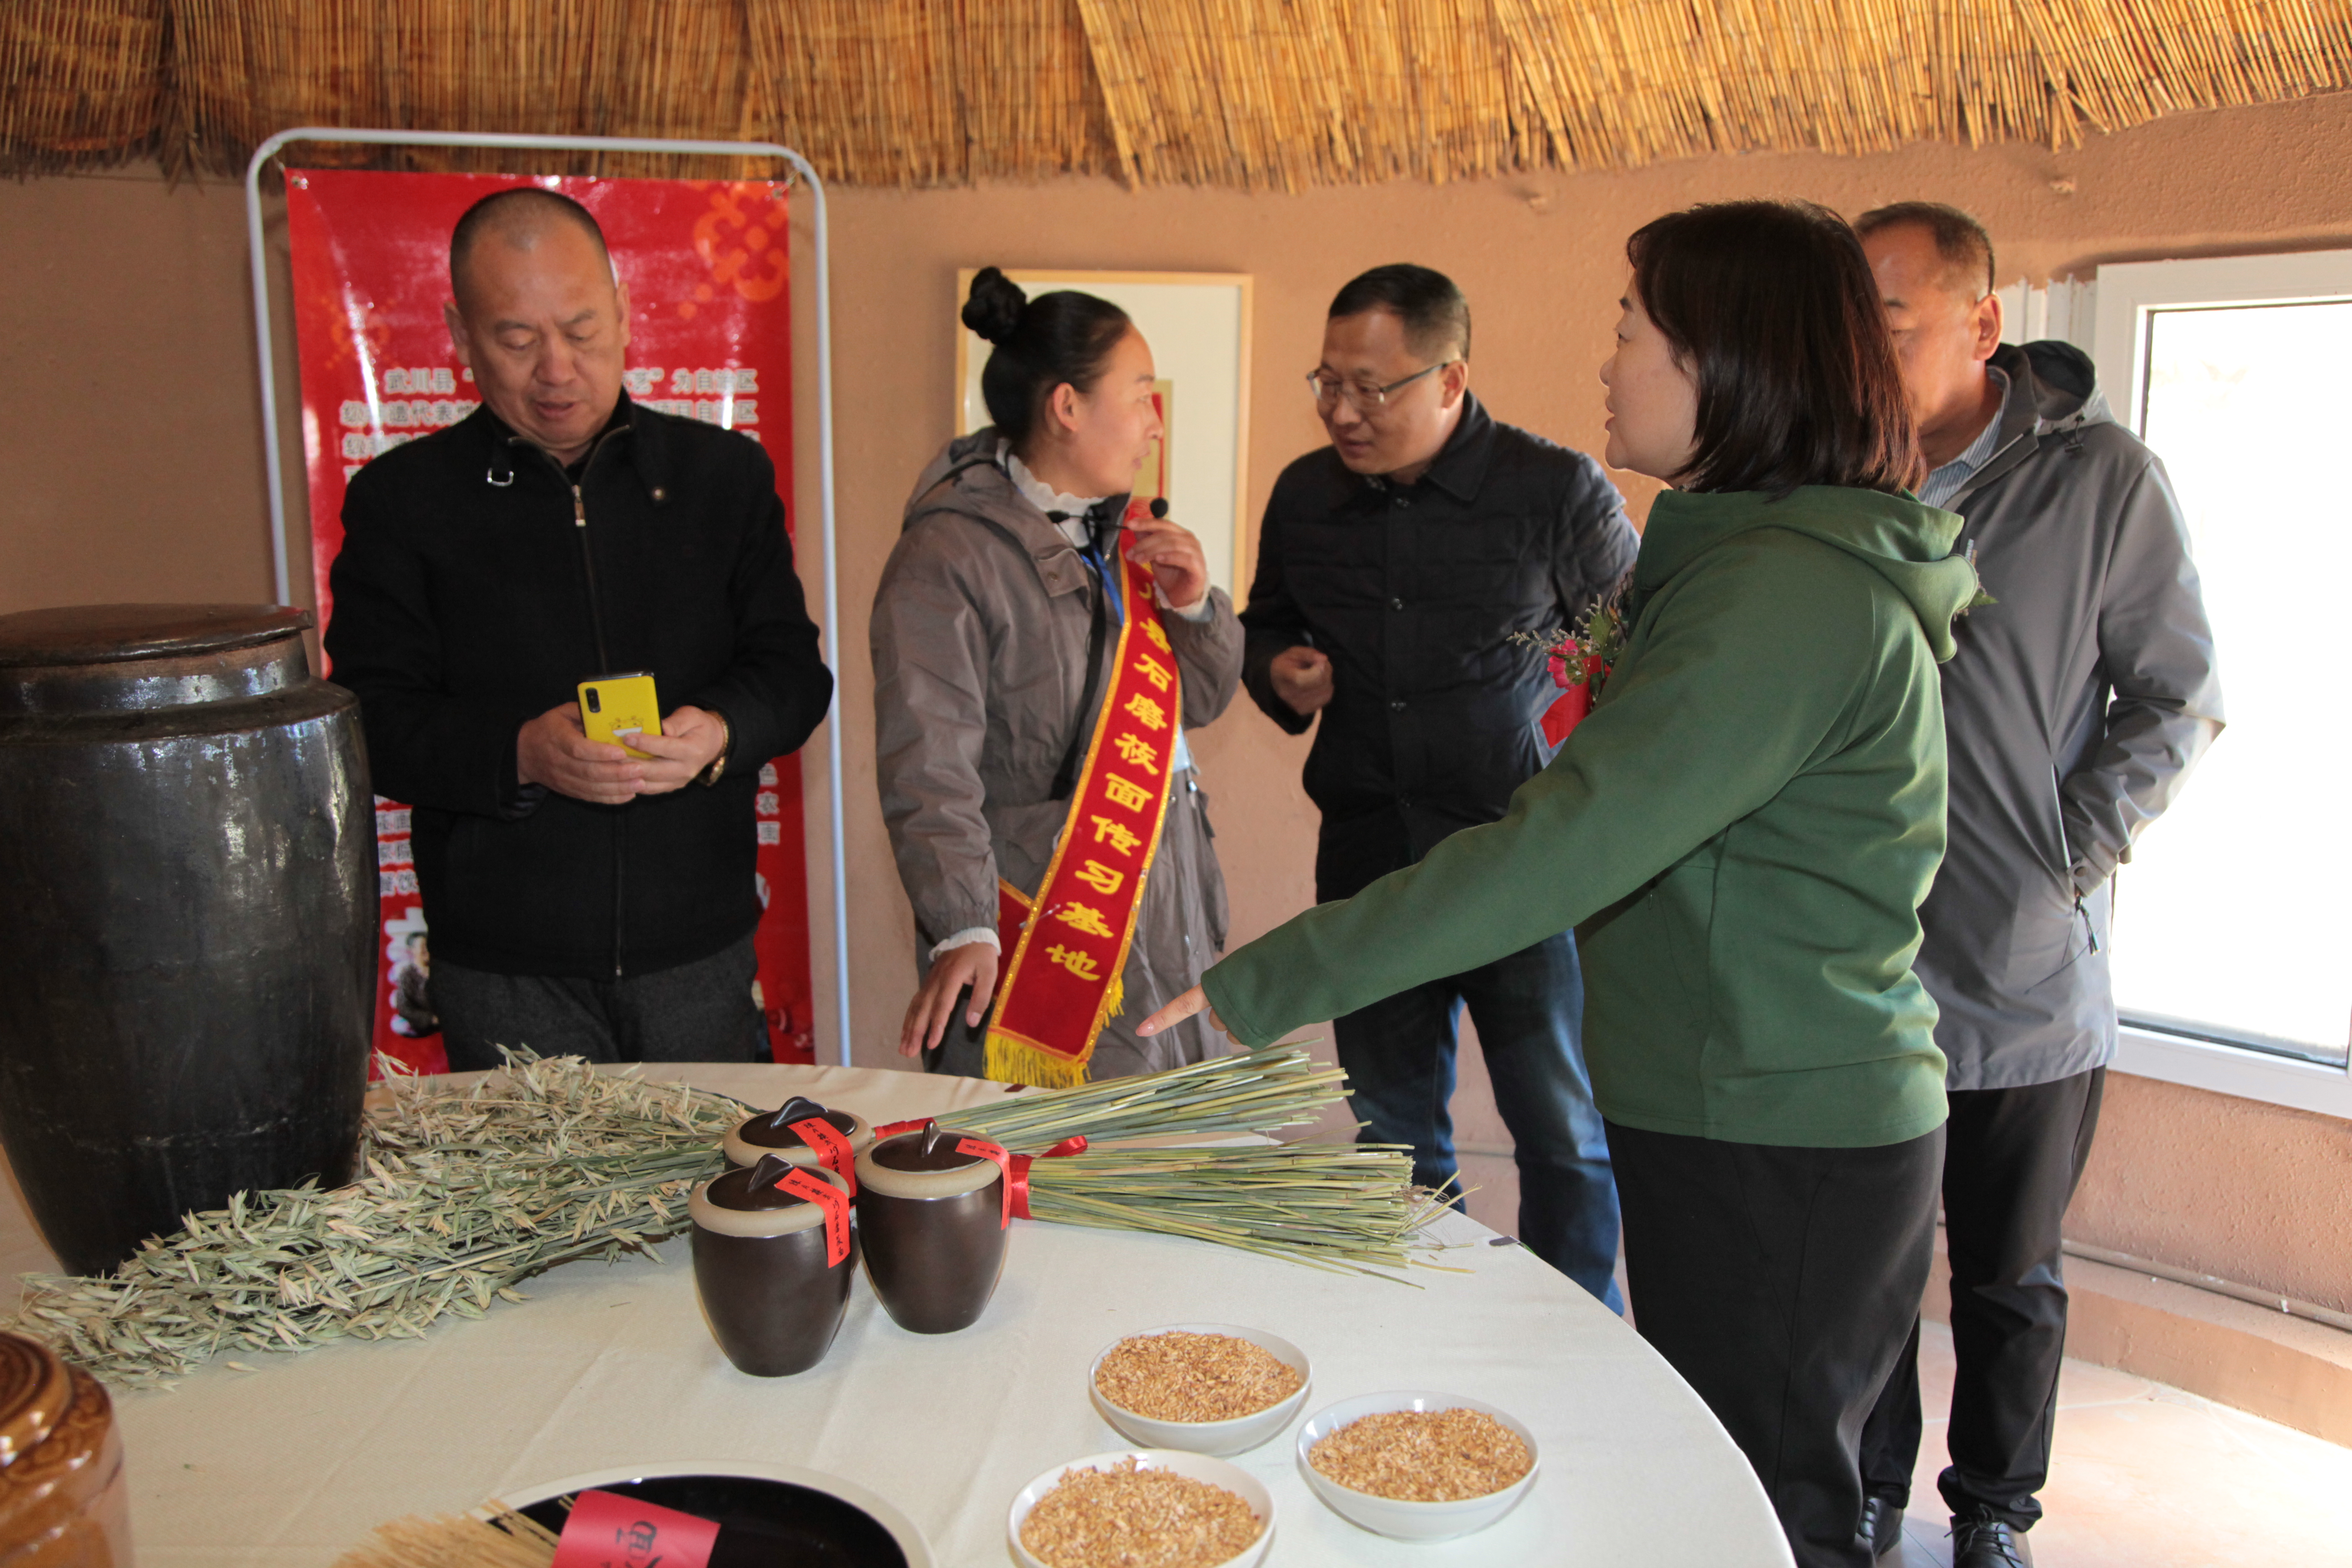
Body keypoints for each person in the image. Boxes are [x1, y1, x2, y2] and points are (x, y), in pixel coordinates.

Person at [1144, 200, 1978, 1568]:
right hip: (1725, 1098)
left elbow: (1562, 841)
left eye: (1629, 329)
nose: (1608, 362)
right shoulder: (1737, 555)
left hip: (1776, 1123)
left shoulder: (1781, 596)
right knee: (1719, 1477)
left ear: (1726, 357)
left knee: (1765, 1514)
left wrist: (1267, 978)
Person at [1851, 203, 2224, 1568]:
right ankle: (1864, 1491)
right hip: (1853, 959)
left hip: (2019, 967)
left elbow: (2176, 695)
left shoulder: (2096, 478)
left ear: (1980, 321)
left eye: (1884, 314)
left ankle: (1993, 1513)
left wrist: (2060, 858)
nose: (1856, 341)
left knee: (2007, 1276)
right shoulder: (1832, 472)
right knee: (1868, 1270)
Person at [327, 188, 833, 1071]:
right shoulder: (404, 502)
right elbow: (370, 717)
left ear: (627, 313)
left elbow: (792, 673)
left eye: (582, 331)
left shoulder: (723, 477)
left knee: (714, 1192)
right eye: (516, 340)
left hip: (699, 951)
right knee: (534, 1207)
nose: (555, 370)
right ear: (459, 336)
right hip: (505, 968)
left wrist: (719, 732)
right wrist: (520, 753)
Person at [1239, 263, 1636, 1304]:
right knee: (1391, 1131)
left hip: (1525, 867)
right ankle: (1431, 1321)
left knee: (1563, 1127)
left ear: (1450, 378)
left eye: (1372, 388)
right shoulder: (1305, 495)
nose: (1342, 410)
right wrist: (1279, 671)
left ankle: (1578, 1329)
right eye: (1326, 382)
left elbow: (1644, 658)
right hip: (1371, 859)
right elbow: (1266, 624)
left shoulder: (1555, 491)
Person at [874, 268, 1242, 1084]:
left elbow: (1203, 705)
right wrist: (964, 923)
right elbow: (927, 762)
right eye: (1142, 394)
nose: (1156, 422)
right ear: (1068, 408)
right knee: (1060, 1182)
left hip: (1169, 917)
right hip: (1044, 929)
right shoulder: (949, 556)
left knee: (1169, 1174)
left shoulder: (1126, 537)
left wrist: (1196, 612)